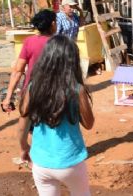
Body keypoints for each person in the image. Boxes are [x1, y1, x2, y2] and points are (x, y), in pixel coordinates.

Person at [18, 35, 94, 196]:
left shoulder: (32, 88)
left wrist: (24, 147)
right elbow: (89, 124)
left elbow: (22, 126)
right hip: (70, 161)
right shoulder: (77, 89)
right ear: (72, 61)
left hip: (41, 163)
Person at [2, 10, 56, 112]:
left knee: (30, 125)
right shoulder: (60, 43)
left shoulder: (29, 42)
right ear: (53, 24)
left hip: (31, 93)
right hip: (54, 93)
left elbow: (18, 71)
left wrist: (8, 98)